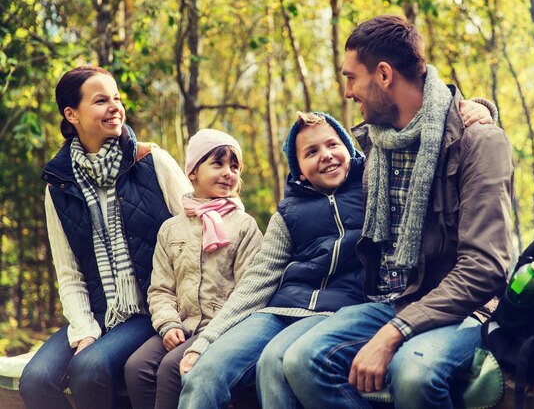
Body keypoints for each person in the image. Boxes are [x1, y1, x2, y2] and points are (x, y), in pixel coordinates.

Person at [283, 15, 514, 409]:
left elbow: (485, 268)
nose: (347, 92)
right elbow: (319, 192)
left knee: (413, 375)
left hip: (462, 308)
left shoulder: (479, 143)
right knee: (300, 360)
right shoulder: (374, 144)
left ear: (385, 75)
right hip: (389, 301)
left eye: (352, 78)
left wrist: (394, 333)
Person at [19, 66, 191, 409]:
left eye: (116, 98)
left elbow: (196, 229)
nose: (115, 106)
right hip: (100, 310)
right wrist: (85, 330)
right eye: (101, 100)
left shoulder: (150, 160)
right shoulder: (59, 186)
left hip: (150, 308)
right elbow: (68, 273)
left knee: (89, 367)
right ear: (72, 114)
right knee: (35, 380)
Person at [175, 112, 367, 409]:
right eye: (312, 152)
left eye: (333, 145)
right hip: (280, 310)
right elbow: (257, 281)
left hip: (338, 309)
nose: (326, 155)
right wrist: (206, 341)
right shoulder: (288, 214)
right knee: (203, 373)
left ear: (350, 150)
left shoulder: (372, 190)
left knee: (273, 365)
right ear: (299, 170)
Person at [124, 129, 263, 409]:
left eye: (234, 166)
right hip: (182, 324)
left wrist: (216, 331)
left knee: (171, 368)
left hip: (221, 328)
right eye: (218, 163)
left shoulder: (244, 226)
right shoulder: (171, 229)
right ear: (193, 172)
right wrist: (168, 324)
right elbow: (161, 288)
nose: (228, 172)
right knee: (136, 367)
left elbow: (251, 291)